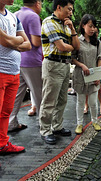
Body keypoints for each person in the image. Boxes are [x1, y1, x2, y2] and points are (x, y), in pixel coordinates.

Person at [39, 0, 80, 144]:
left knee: (62, 99)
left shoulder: (67, 25)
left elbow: (77, 46)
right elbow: (62, 46)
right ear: (59, 7)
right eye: (69, 9)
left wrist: (73, 30)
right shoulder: (48, 22)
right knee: (50, 99)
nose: (71, 12)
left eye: (71, 10)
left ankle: (57, 126)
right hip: (52, 64)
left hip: (65, 65)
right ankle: (45, 130)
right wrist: (71, 47)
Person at [0, 0, 31, 153]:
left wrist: (14, 41)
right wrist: (17, 41)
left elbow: (28, 44)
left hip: (14, 73)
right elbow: (5, 41)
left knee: (6, 112)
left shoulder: (13, 17)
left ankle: (2, 144)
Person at [8, 0, 43, 132]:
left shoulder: (15, 13)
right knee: (39, 93)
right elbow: (35, 42)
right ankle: (43, 123)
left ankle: (11, 122)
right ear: (37, 3)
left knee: (17, 94)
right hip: (32, 61)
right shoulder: (33, 16)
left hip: (19, 59)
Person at [72, 14, 101, 134]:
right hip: (80, 75)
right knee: (80, 102)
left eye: (94, 26)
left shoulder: (98, 42)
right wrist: (82, 65)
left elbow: (99, 58)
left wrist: (98, 75)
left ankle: (95, 121)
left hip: (93, 76)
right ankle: (79, 124)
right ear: (83, 25)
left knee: (93, 102)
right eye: (90, 26)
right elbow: (72, 58)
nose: (92, 29)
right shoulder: (77, 41)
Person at [84, 27, 101, 115]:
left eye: (97, 32)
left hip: (97, 68)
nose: (95, 34)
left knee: (98, 89)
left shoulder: (100, 43)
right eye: (94, 32)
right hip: (88, 67)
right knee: (87, 88)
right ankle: (86, 106)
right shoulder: (86, 41)